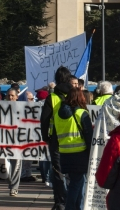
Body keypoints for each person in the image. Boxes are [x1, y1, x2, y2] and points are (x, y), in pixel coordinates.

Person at [55, 88, 93, 210]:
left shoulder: (57, 114)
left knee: (77, 182)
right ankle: (70, 208)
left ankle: (78, 207)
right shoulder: (81, 113)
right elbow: (89, 136)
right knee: (76, 184)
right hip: (80, 154)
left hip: (64, 153)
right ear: (80, 98)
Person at [40, 66, 72, 210]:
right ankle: (74, 200)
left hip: (56, 139)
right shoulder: (75, 95)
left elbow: (44, 120)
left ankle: (60, 201)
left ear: (56, 79)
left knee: (58, 172)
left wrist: (45, 136)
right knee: (74, 172)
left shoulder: (51, 98)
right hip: (74, 140)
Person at [3, 89, 23, 196]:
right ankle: (10, 182)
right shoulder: (0, 108)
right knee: (6, 165)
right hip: (4, 140)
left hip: (17, 141)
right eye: (8, 95)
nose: (10, 98)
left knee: (17, 165)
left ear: (16, 97)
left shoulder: (22, 109)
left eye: (12, 96)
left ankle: (14, 187)